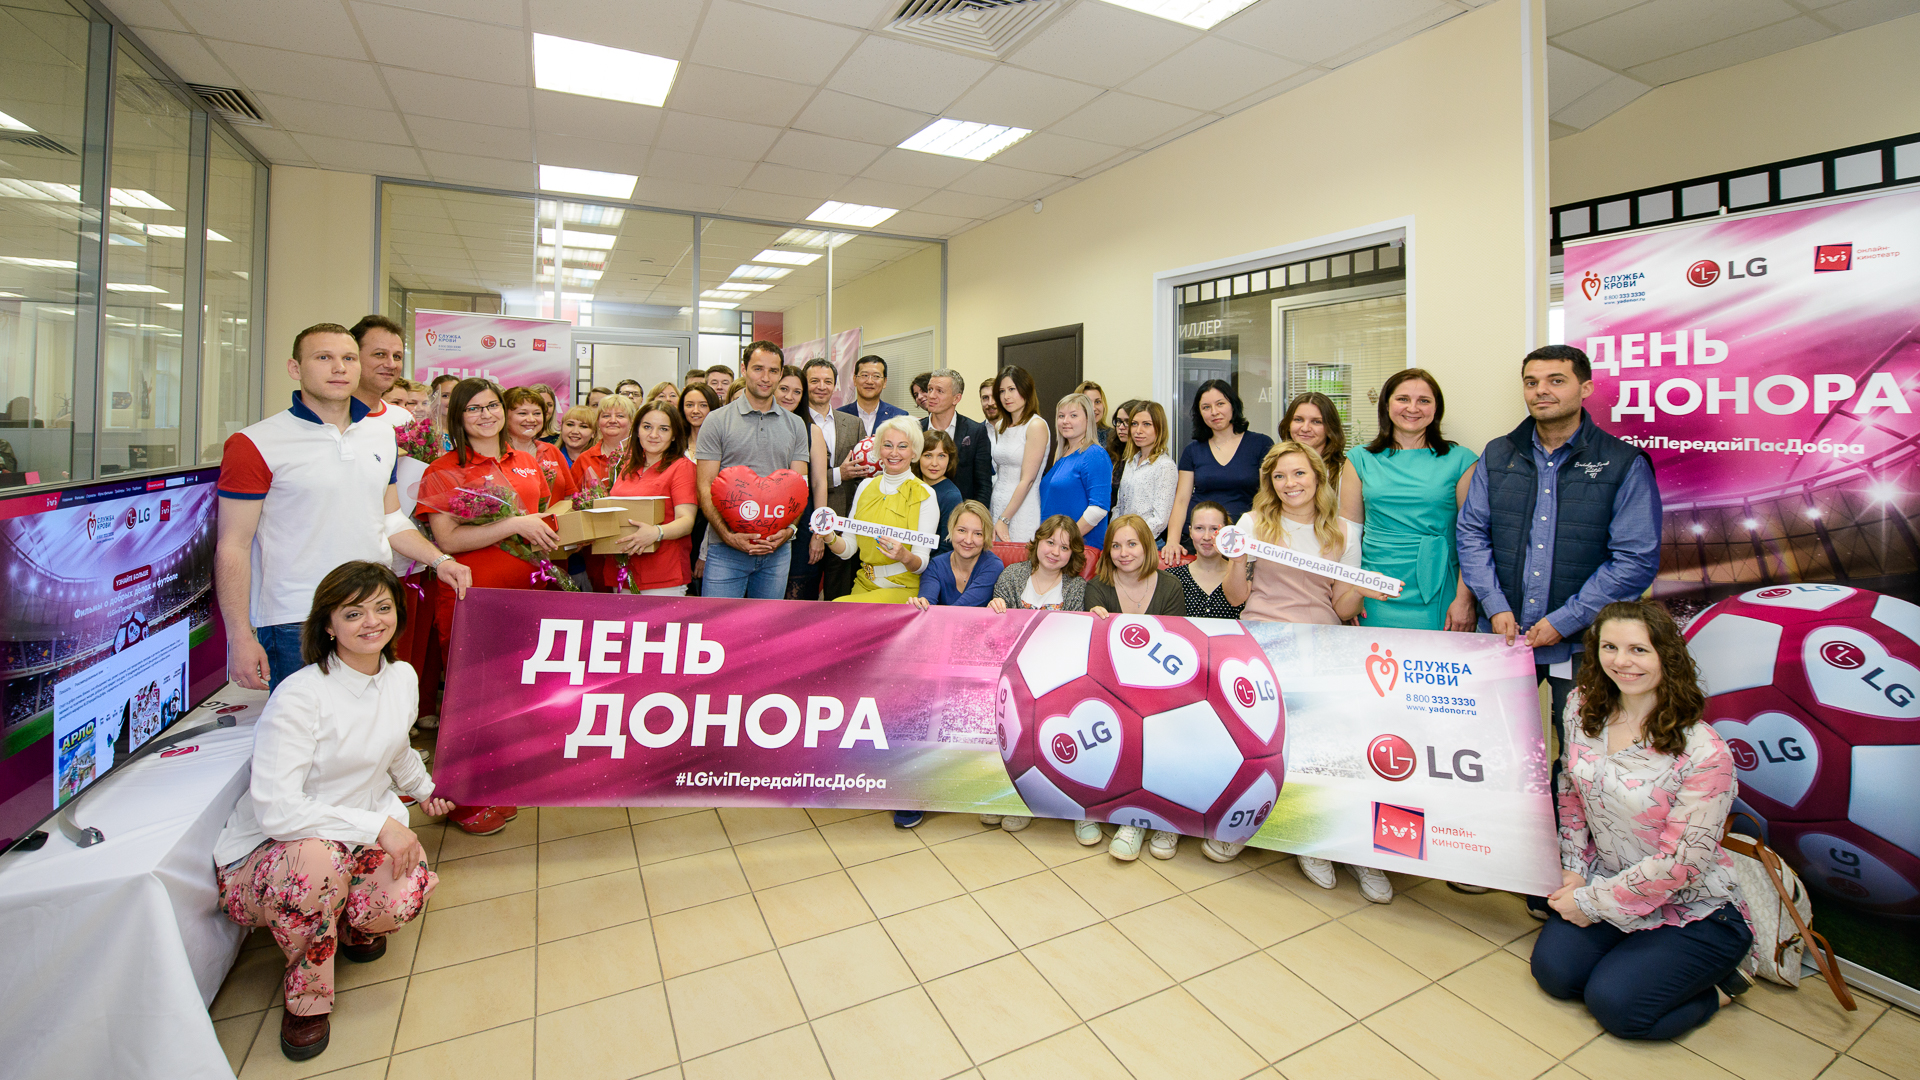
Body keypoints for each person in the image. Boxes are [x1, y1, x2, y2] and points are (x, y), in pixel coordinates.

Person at [213, 561, 454, 1063]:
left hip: (352, 841)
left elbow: (396, 750)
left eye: (383, 608)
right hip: (274, 853)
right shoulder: (301, 695)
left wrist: (428, 790)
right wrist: (380, 825)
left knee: (399, 894)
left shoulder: (402, 677)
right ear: (328, 625)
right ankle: (306, 999)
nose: (372, 622)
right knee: (316, 862)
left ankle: (346, 921)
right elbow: (278, 810)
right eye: (353, 612)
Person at [1456, 344, 1660, 906]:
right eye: (1531, 381)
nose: (1541, 391)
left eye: (1555, 380)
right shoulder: (1499, 455)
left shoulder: (1622, 462)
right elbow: (1472, 533)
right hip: (1502, 638)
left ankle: (1562, 873)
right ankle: (1496, 855)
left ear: (1585, 388)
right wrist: (1494, 604)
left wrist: (1564, 620)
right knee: (1496, 753)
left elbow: (1635, 559)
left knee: (1579, 763)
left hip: (1581, 645)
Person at [1532, 601, 1753, 1041]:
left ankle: (1725, 986)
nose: (1621, 662)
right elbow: (1571, 789)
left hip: (1691, 905)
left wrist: (1589, 905)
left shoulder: (1704, 752)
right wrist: (1574, 871)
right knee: (1556, 975)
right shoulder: (1581, 706)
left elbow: (1680, 864)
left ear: (1666, 656)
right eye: (1609, 647)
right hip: (1607, 878)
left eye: (1638, 650)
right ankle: (1635, 955)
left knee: (1618, 1008)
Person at [216, 323, 470, 694]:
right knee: (306, 728)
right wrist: (239, 635)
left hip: (373, 612)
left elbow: (390, 519)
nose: (339, 368)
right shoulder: (254, 443)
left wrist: (441, 561)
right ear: (295, 368)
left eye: (349, 358)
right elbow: (233, 545)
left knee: (372, 722)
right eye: (324, 358)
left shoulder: (381, 434)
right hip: (298, 618)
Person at [1215, 443, 1391, 898]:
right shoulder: (1252, 524)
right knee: (1259, 741)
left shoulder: (1343, 532)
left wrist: (1365, 589)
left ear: (1317, 477)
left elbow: (1342, 606)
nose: (1290, 484)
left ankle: (1316, 840)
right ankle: (1242, 823)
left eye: (1298, 474)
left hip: (1320, 643)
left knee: (1321, 744)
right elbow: (1235, 597)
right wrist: (1238, 559)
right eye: (1279, 476)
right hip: (1263, 639)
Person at [418, 378, 560, 836]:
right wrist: (516, 524)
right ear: (457, 417)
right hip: (472, 598)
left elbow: (541, 518)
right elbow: (447, 539)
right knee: (471, 702)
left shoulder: (526, 461)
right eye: (473, 409)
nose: (486, 415)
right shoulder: (444, 470)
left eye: (492, 406)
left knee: (510, 700)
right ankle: (460, 799)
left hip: (526, 596)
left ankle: (493, 783)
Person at [1083, 512, 1190, 861]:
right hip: (1110, 687)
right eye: (1116, 545)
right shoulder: (1096, 588)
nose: (1124, 552)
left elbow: (1175, 652)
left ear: (1147, 546)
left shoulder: (1171, 587)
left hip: (1160, 689)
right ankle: (1096, 808)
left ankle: (1146, 818)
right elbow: (1096, 656)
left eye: (1132, 544)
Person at [1342, 368, 1477, 631]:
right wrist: (1348, 594)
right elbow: (1349, 535)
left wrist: (1465, 600)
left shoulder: (1461, 460)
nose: (1412, 408)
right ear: (1386, 404)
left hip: (1441, 588)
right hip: (1375, 587)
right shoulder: (1359, 459)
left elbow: (1472, 538)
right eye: (1402, 399)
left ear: (1436, 409)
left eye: (1423, 401)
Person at [697, 341, 811, 599]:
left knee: (768, 623)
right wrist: (728, 536)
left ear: (780, 374)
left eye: (773, 371)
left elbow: (799, 487)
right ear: (743, 369)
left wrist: (790, 531)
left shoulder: (795, 425)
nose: (765, 378)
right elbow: (704, 486)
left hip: (776, 551)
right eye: (758, 369)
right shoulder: (716, 421)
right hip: (726, 550)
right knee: (718, 620)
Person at [824, 416, 938, 604]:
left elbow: (921, 563)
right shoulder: (865, 487)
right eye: (887, 445)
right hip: (864, 582)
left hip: (903, 588)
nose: (894, 453)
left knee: (837, 607)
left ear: (914, 452)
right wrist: (828, 536)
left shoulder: (925, 494)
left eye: (902, 446)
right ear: (878, 449)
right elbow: (849, 549)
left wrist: (904, 556)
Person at [1162, 380, 1273, 565]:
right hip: (1198, 540)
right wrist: (1172, 541)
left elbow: (1268, 495)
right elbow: (1181, 500)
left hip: (1243, 538)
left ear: (1233, 406)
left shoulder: (1261, 444)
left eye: (1220, 404)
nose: (1214, 412)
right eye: (1206, 407)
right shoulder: (1192, 451)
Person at [601, 401, 698, 595]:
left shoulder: (682, 467)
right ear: (637, 431)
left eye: (663, 429)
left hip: (662, 574)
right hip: (622, 571)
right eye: (647, 427)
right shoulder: (628, 466)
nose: (653, 435)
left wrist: (656, 532)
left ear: (674, 435)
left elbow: (686, 521)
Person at [798, 359, 871, 601]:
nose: (821, 386)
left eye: (828, 381)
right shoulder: (795, 423)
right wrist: (839, 474)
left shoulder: (853, 424)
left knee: (839, 596)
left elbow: (862, 475)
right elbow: (798, 479)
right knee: (803, 594)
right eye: (814, 381)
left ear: (835, 386)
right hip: (805, 522)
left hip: (844, 524)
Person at [1039, 392, 1113, 553]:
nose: (1065, 421)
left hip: (1079, 549)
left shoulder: (1094, 454)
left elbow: (1098, 509)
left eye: (1073, 415)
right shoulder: (1063, 456)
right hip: (1056, 548)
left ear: (1088, 419)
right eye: (1061, 416)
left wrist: (1066, 540)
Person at [989, 366, 1050, 544]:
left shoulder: (1036, 425)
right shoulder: (1000, 426)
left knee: (1019, 557)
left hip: (1022, 506)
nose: (1006, 396)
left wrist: (1004, 519)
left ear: (1026, 390)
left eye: (1012, 389)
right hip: (998, 501)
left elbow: (1028, 480)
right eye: (1001, 391)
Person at [911, 500, 1004, 612]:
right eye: (962, 530)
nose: (968, 540)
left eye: (978, 534)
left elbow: (962, 610)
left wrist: (929, 612)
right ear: (951, 529)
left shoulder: (993, 566)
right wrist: (919, 606)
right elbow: (925, 607)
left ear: (986, 537)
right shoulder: (935, 565)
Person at [918, 368, 993, 506]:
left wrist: (975, 515)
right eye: (930, 389)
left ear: (956, 398)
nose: (931, 396)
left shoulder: (975, 431)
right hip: (919, 509)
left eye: (939, 391)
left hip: (961, 511)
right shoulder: (916, 429)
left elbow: (983, 485)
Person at [501, 386, 577, 505]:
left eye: (537, 413)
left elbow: (569, 495)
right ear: (504, 416)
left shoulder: (552, 451)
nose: (531, 419)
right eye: (522, 413)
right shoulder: (498, 454)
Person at [1114, 400, 1176, 544]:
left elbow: (1160, 519)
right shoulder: (1131, 461)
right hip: (1123, 539)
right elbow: (1120, 506)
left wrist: (1131, 538)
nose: (1138, 430)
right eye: (1134, 424)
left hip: (1147, 542)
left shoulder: (1165, 466)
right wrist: (1115, 532)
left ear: (1159, 428)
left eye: (1146, 424)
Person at [678, 383, 720, 590]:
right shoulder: (673, 445)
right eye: (689, 405)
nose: (695, 411)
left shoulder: (722, 446)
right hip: (678, 526)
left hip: (709, 526)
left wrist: (704, 553)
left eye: (703, 405)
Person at [1170, 501, 1242, 619]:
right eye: (1199, 528)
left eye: (1214, 529)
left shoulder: (1241, 577)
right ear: (1190, 532)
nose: (1207, 537)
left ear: (1226, 532)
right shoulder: (1173, 578)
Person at [569, 392, 637, 497]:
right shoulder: (584, 460)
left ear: (632, 422)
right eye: (606, 416)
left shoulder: (642, 456)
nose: (613, 420)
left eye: (620, 416)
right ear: (598, 422)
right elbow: (573, 499)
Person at [1281, 391, 1347, 480]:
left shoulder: (1345, 472)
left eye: (1316, 422)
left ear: (1330, 427)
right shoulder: (1276, 466)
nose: (1305, 428)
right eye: (1298, 420)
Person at [916, 429, 963, 554]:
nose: (934, 463)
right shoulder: (910, 486)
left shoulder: (951, 496)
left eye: (941, 456)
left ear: (949, 460)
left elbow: (947, 548)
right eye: (928, 455)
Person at [838, 354, 907, 435]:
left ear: (885, 382)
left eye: (876, 376)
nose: (869, 381)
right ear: (854, 379)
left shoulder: (899, 417)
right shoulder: (839, 416)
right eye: (864, 375)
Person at [1105, 400, 1136, 493]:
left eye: (1127, 422)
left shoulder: (1144, 455)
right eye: (1119, 421)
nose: (1121, 427)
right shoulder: (1111, 451)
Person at [1074, 380, 1112, 447]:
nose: (1093, 408)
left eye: (1097, 402)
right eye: (1087, 402)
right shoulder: (1070, 434)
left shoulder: (1112, 436)